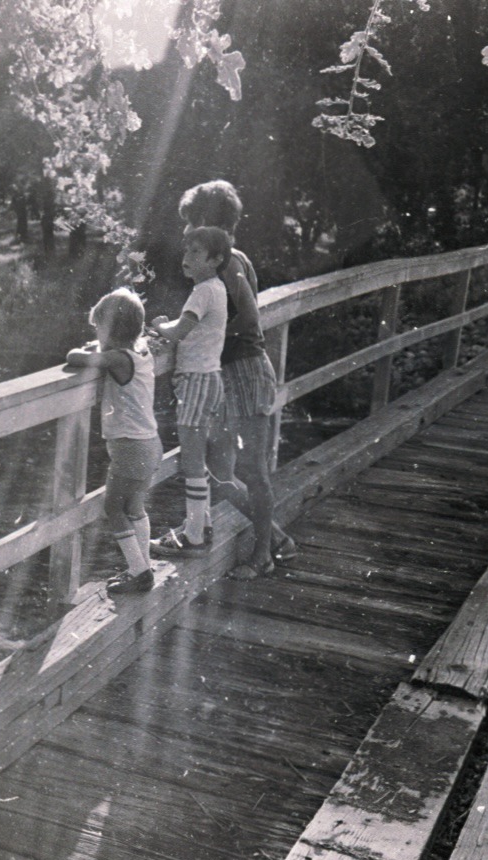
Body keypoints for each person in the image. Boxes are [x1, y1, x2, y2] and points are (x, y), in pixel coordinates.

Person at [176, 180, 296, 579]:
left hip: (243, 370)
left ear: (207, 219)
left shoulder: (228, 261)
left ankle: (263, 554)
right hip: (223, 372)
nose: (187, 231)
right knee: (217, 469)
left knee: (251, 469)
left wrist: (205, 335)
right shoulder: (225, 259)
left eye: (192, 221)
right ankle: (274, 536)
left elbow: (248, 317)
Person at [64, 288, 160, 595]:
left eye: (98, 327)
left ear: (112, 329)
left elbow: (77, 358)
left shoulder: (117, 359)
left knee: (113, 507)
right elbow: (107, 352)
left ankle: (139, 571)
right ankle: (142, 565)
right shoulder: (141, 352)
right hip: (150, 443)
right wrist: (100, 344)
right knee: (135, 506)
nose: (96, 332)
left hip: (130, 447)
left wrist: (85, 350)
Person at [146, 225, 231, 556]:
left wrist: (158, 326)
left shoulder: (202, 292)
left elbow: (179, 332)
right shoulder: (217, 288)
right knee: (197, 457)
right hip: (208, 378)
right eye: (187, 251)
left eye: (196, 252)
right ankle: (200, 525)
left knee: (193, 460)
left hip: (196, 380)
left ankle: (194, 536)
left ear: (215, 259)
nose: (187, 257)